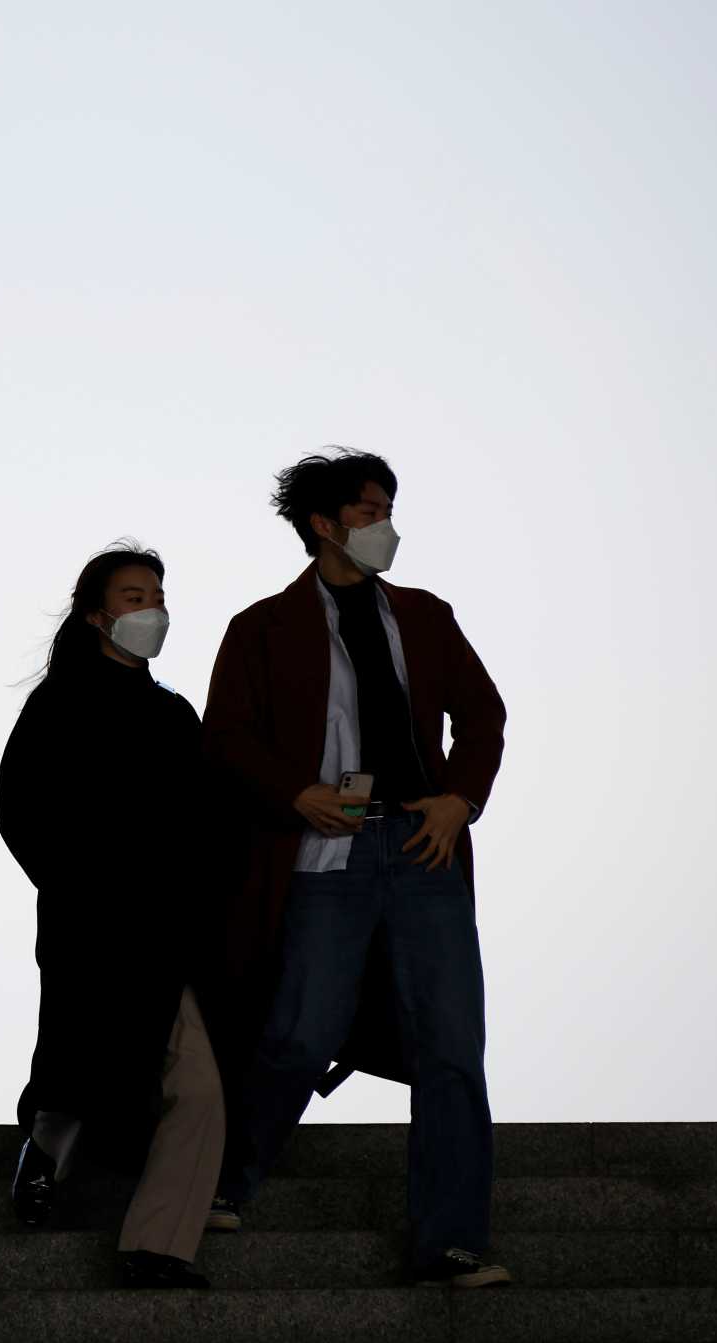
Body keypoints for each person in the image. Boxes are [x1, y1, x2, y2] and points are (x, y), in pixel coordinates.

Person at [202, 447, 510, 1288]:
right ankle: (224, 1179)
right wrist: (294, 792)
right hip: (325, 853)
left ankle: (452, 1242)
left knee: (452, 1045)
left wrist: (459, 799)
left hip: (422, 846)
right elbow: (225, 738)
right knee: (300, 1031)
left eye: (388, 512)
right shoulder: (262, 628)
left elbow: (482, 715)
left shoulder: (425, 614)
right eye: (370, 513)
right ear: (324, 524)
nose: (386, 527)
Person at [0, 541, 225, 1290]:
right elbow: (18, 809)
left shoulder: (174, 715)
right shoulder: (58, 704)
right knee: (78, 1068)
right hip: (90, 930)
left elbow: (206, 823)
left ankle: (158, 1244)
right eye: (134, 597)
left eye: (157, 596)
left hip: (167, 937)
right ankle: (43, 1152)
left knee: (196, 1085)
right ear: (96, 615)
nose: (152, 609)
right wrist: (78, 889)